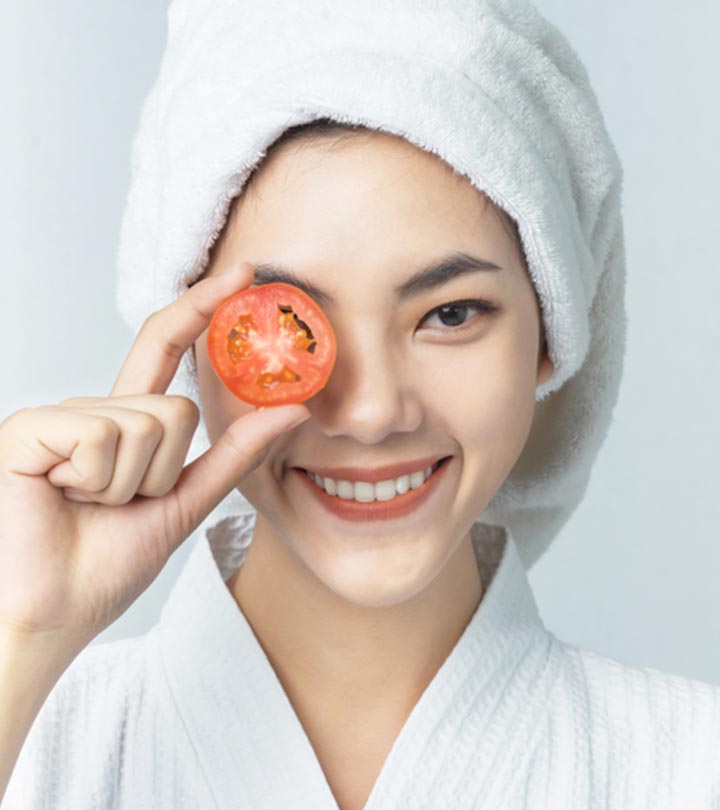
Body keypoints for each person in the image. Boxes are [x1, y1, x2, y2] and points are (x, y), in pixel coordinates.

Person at [2, 2, 720, 809]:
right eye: (283, 323)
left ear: (552, 332)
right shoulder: (31, 739)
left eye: (449, 314)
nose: (372, 412)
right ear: (191, 345)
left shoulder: (692, 765)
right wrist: (26, 635)